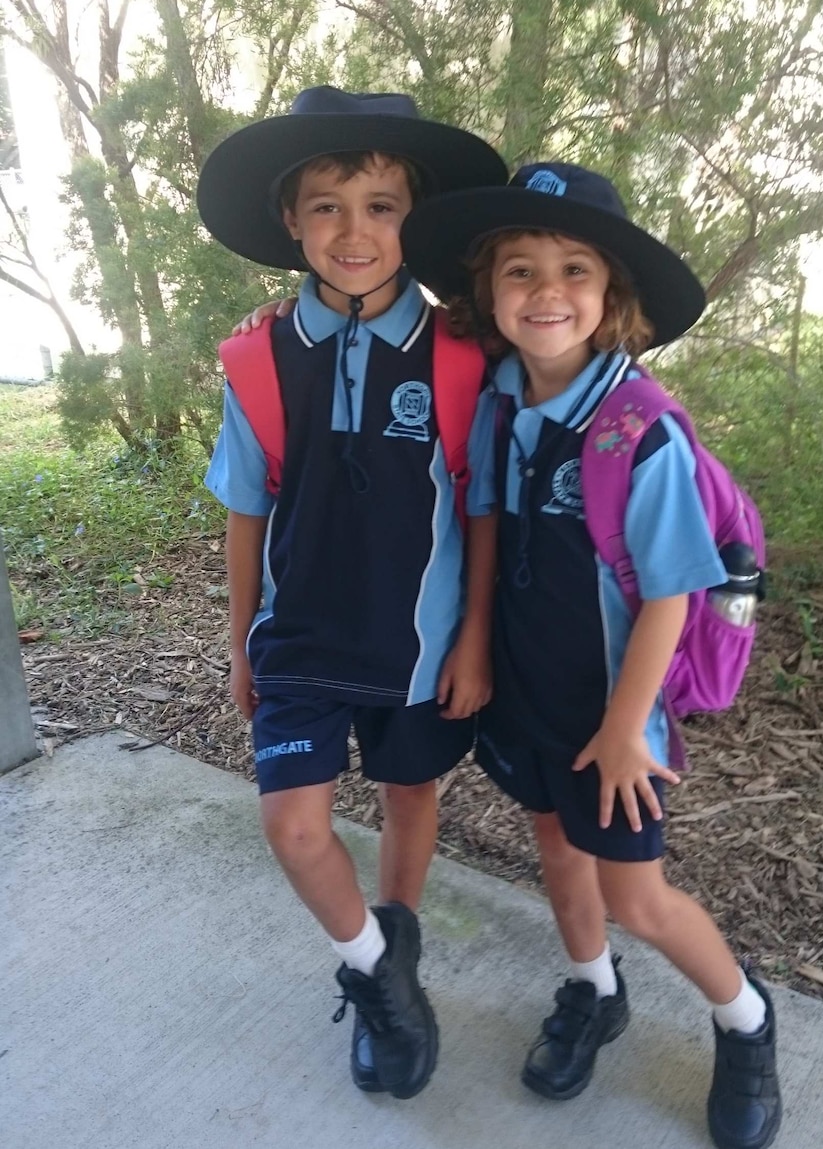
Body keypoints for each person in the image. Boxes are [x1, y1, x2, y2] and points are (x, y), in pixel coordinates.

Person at [399, 163, 781, 1149]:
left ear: (612, 296)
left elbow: (670, 592)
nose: (546, 291)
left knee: (637, 897)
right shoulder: (497, 400)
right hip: (526, 693)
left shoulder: (638, 431)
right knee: (557, 857)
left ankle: (744, 1022)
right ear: (489, 294)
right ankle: (591, 991)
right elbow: (485, 521)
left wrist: (622, 730)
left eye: (574, 268)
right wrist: (476, 646)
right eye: (519, 270)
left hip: (615, 718)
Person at [196, 86, 507, 1100]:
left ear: (413, 218)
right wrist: (240, 639)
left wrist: (472, 640)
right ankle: (377, 974)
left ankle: (399, 938)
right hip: (299, 641)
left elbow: (480, 514)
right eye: (326, 204)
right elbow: (247, 510)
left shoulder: (466, 353)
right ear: (291, 221)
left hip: (419, 645)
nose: (354, 228)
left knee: (409, 794)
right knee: (292, 825)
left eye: (381, 204)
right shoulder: (256, 357)